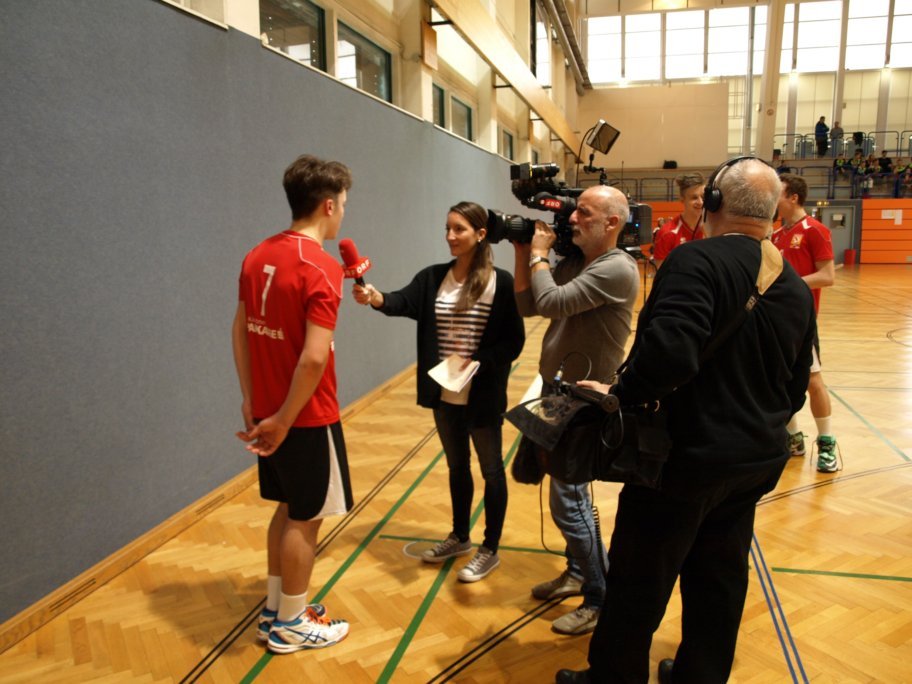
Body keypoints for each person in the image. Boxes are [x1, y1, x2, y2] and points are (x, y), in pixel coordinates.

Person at [555, 158, 817, 683]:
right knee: (719, 577)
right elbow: (796, 386)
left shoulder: (695, 261)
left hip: (681, 461)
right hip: (753, 461)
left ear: (714, 202)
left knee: (638, 581)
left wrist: (619, 392)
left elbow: (669, 356)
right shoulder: (791, 282)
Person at [352, 201, 524, 582]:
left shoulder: (501, 282)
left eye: (459, 229)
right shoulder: (433, 277)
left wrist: (478, 362)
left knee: (491, 471)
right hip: (445, 394)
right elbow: (401, 301)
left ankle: (490, 548)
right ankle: (460, 537)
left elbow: (514, 341)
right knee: (456, 467)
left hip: (482, 394)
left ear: (481, 234)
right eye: (447, 228)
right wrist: (375, 297)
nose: (450, 236)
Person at [232, 154, 355, 653]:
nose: (343, 212)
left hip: (268, 409)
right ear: (328, 205)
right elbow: (313, 358)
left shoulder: (256, 253)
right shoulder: (322, 267)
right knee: (307, 517)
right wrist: (284, 419)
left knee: (288, 509)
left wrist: (251, 400)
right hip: (304, 416)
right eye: (343, 203)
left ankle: (276, 609)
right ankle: (291, 624)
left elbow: (240, 330)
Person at [513, 185, 639, 635]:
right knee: (564, 489)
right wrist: (522, 252)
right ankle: (577, 570)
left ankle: (600, 596)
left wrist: (539, 255)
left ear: (611, 223)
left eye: (583, 213)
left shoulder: (616, 268)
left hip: (584, 398)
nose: (571, 219)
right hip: (555, 390)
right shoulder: (577, 263)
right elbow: (528, 304)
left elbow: (551, 302)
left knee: (569, 502)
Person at [777, 174, 839, 473]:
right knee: (781, 380)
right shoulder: (776, 235)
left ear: (793, 197)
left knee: (813, 381)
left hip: (802, 321)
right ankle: (793, 438)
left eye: (779, 193)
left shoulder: (815, 230)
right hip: (777, 321)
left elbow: (827, 276)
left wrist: (791, 285)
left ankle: (826, 443)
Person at [651, 173, 705, 268]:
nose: (700, 202)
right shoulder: (667, 233)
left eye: (703, 197)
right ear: (682, 199)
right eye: (694, 197)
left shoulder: (713, 230)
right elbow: (662, 272)